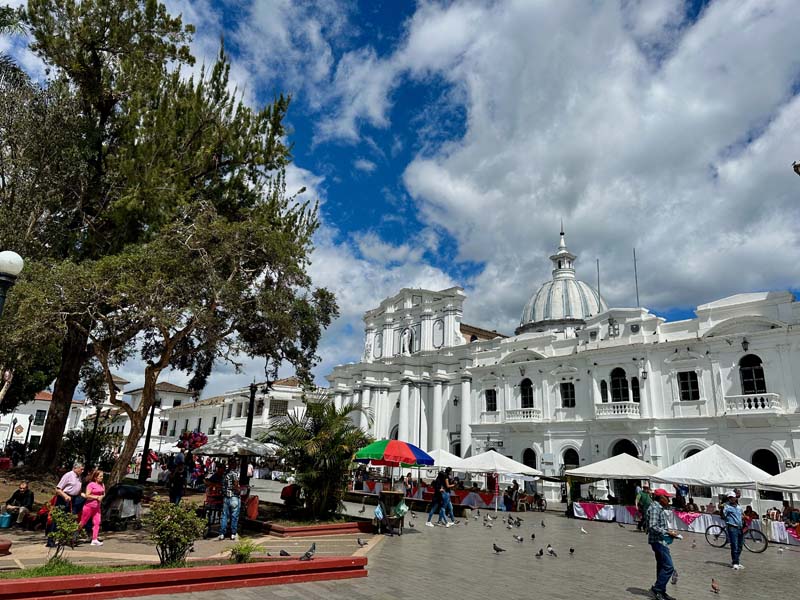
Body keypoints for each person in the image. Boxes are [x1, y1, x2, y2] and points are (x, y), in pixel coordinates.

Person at [647, 489, 679, 600]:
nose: (669, 500)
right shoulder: (655, 508)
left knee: (661, 566)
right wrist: (667, 532)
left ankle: (661, 592)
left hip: (661, 540)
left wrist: (670, 532)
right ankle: (657, 589)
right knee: (669, 567)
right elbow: (653, 526)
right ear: (661, 498)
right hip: (658, 541)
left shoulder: (659, 508)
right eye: (667, 497)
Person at [78, 470, 105, 546]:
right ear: (95, 477)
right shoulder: (91, 484)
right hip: (89, 506)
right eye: (100, 476)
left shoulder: (102, 485)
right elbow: (87, 495)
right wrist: (96, 497)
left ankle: (94, 539)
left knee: (97, 522)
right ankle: (73, 535)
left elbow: (103, 494)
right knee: (83, 522)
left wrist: (101, 497)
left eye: (102, 476)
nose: (102, 478)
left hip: (97, 507)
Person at [218, 461, 240, 541]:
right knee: (234, 516)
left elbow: (222, 485)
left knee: (224, 516)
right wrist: (239, 491)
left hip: (226, 497)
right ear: (234, 466)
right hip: (234, 496)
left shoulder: (224, 474)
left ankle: (222, 533)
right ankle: (233, 533)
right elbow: (236, 485)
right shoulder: (234, 474)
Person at [723, 491, 744, 570]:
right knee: (734, 545)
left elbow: (741, 514)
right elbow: (723, 515)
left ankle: (737, 561)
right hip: (732, 527)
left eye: (733, 497)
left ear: (735, 498)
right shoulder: (727, 507)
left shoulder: (738, 506)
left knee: (740, 545)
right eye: (730, 498)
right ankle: (735, 562)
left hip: (740, 527)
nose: (732, 499)